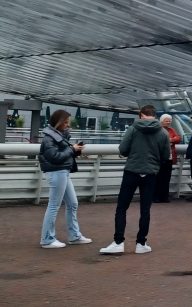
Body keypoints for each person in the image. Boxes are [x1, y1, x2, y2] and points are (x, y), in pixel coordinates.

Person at [100, 105, 170, 255]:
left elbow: (123, 149)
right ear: (155, 115)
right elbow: (165, 156)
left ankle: (118, 242)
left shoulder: (133, 129)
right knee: (145, 210)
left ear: (141, 115)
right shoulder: (163, 132)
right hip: (150, 173)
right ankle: (141, 243)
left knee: (122, 207)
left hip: (132, 171)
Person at [38, 109, 91, 248]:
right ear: (58, 123)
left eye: (68, 122)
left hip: (62, 172)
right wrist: (72, 150)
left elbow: (61, 154)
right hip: (57, 172)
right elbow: (55, 157)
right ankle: (47, 239)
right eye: (65, 122)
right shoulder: (49, 137)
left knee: (72, 204)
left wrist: (74, 150)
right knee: (54, 205)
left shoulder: (57, 136)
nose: (68, 125)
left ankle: (74, 235)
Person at [153, 114, 181, 203]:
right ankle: (156, 197)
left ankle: (164, 196)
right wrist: (170, 140)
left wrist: (170, 140)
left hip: (169, 158)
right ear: (161, 121)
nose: (168, 122)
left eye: (169, 120)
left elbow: (178, 138)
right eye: (166, 120)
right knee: (158, 178)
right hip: (159, 157)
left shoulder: (171, 129)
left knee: (166, 178)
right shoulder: (157, 130)